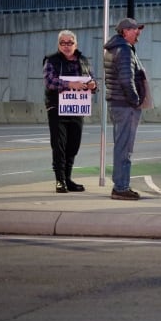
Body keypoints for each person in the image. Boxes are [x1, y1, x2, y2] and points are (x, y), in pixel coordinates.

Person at [43, 30, 98, 193]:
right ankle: (60, 181)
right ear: (58, 45)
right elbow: (49, 82)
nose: (66, 46)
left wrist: (93, 86)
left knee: (73, 145)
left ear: (76, 44)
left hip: (77, 109)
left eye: (70, 43)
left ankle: (68, 178)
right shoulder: (51, 60)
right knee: (59, 145)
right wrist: (69, 84)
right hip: (57, 108)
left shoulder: (83, 61)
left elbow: (92, 80)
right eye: (63, 43)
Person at [104, 17, 148, 201]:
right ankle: (121, 187)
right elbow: (126, 80)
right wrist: (136, 100)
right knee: (124, 147)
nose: (138, 32)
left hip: (118, 103)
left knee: (121, 145)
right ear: (125, 31)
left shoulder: (115, 48)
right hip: (125, 105)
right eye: (135, 29)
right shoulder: (124, 51)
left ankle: (120, 185)